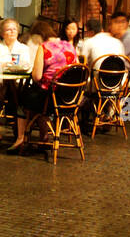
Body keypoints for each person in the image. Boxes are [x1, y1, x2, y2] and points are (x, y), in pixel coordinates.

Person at [11, 19, 79, 153]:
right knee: (38, 98)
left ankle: (20, 139)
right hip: (70, 98)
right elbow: (77, 69)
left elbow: (36, 76)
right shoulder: (70, 46)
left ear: (39, 36)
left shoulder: (44, 47)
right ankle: (44, 135)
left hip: (50, 98)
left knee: (24, 101)